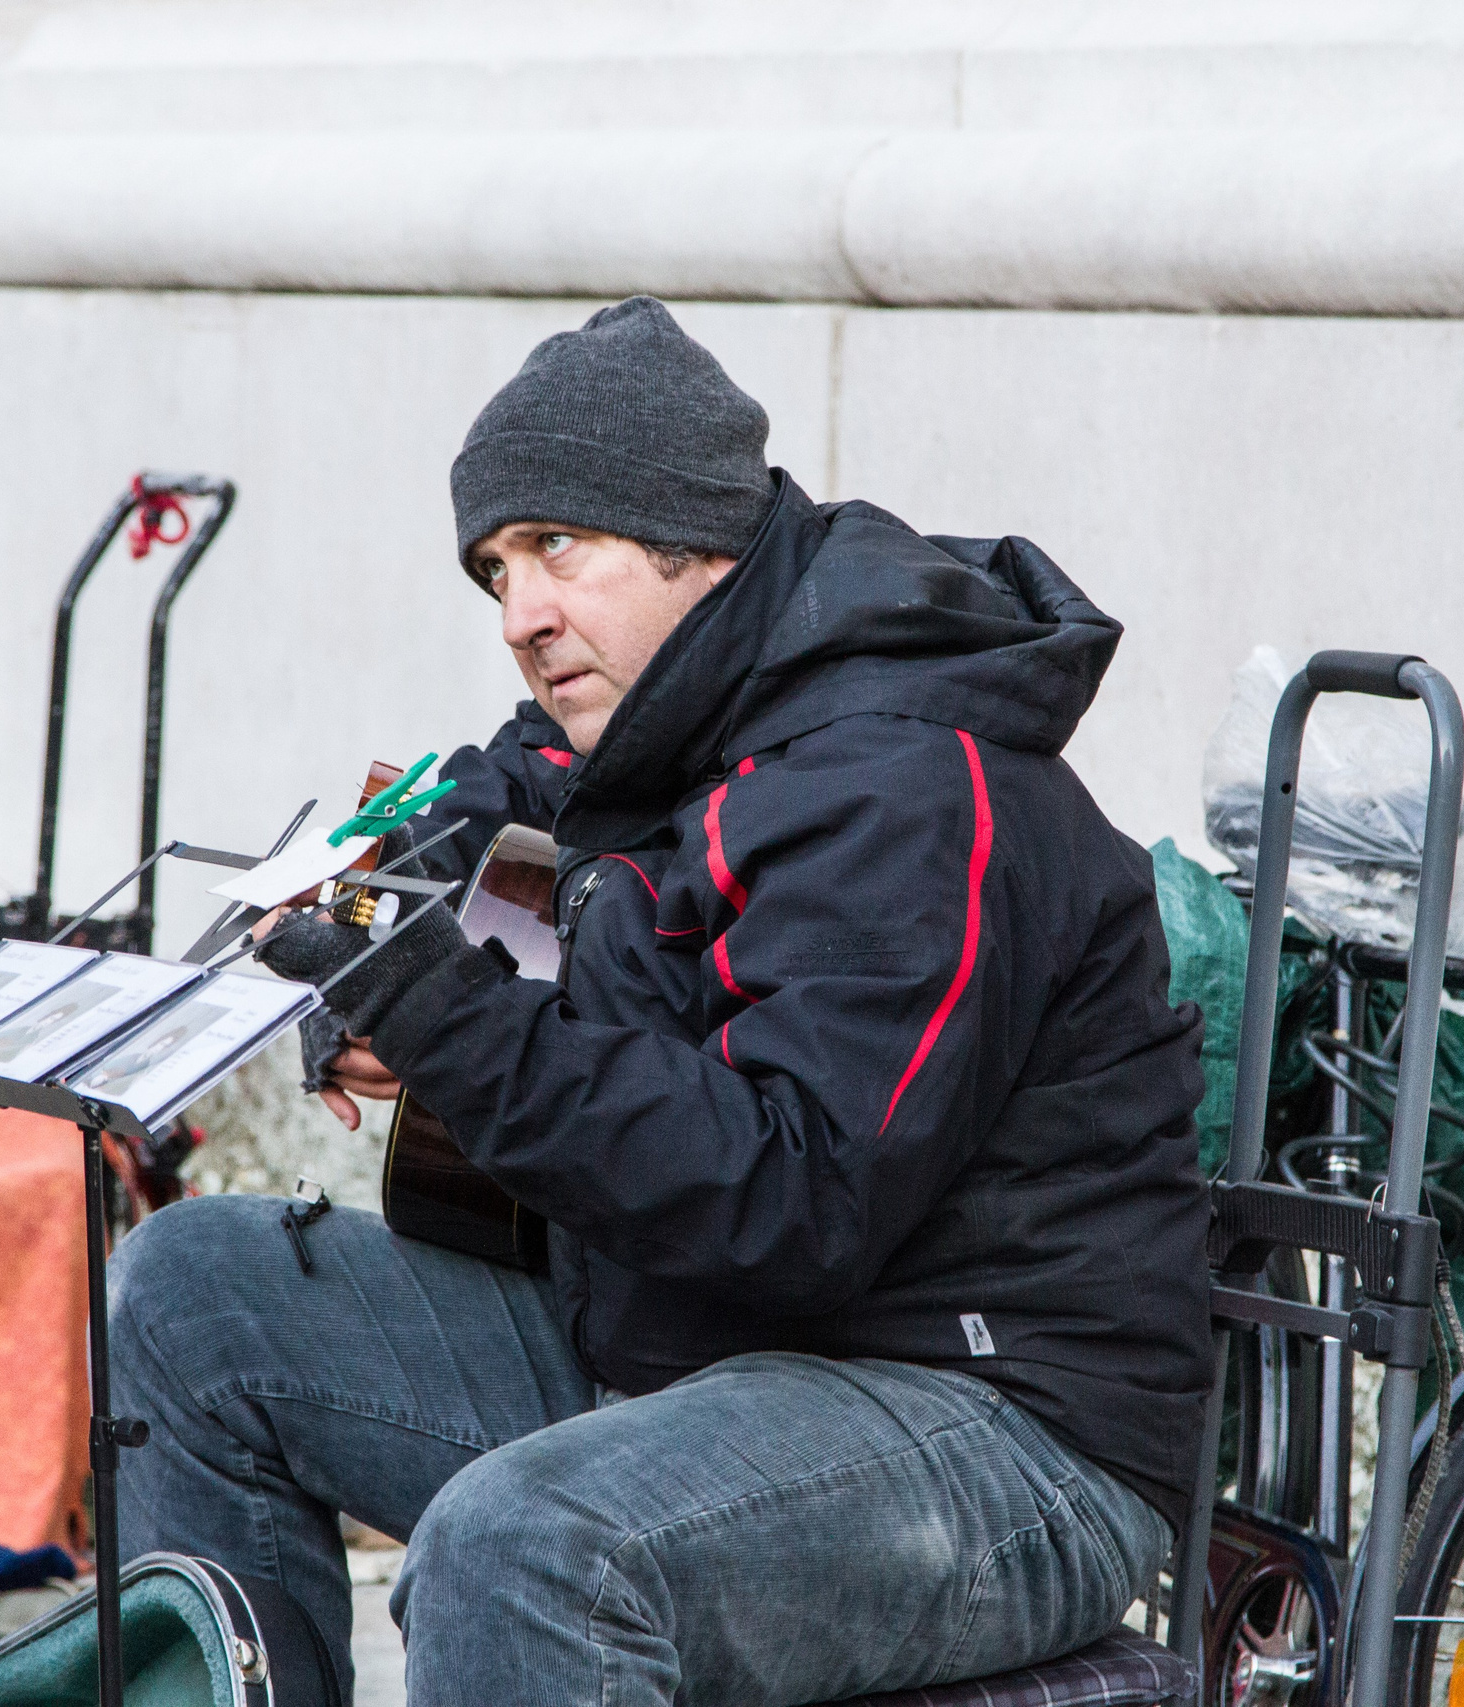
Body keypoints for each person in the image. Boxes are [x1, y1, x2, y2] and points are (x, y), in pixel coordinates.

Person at [108, 297, 1211, 1707]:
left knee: (527, 1551)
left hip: (997, 1424)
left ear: (695, 539)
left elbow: (792, 1202)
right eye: (495, 571)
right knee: (189, 1297)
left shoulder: (904, 784)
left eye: (555, 547)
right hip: (691, 1359)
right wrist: (373, 925)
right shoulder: (661, 721)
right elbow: (499, 796)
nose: (519, 616)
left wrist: (449, 1016)